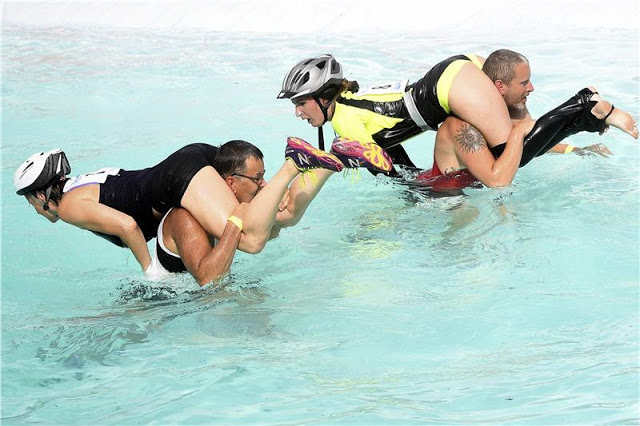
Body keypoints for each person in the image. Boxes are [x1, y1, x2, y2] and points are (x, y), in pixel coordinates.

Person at [14, 138, 344, 273]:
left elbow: (126, 226)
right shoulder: (84, 183)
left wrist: (150, 271)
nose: (35, 209)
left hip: (180, 176)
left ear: (41, 194)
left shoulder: (70, 204)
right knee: (277, 219)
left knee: (251, 240)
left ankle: (291, 164)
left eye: (31, 202)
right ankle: (329, 161)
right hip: (188, 164)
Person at [419, 49, 638, 189]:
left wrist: (577, 150)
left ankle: (585, 116)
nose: (531, 88)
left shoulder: (490, 119)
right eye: (524, 82)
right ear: (500, 87)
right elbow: (498, 181)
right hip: (439, 203)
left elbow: (526, 145)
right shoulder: (460, 128)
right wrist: (518, 131)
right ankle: (583, 104)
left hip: (463, 200)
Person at [277, 53, 526, 175]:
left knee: (512, 155)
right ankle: (567, 141)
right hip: (452, 76)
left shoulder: (344, 120)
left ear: (323, 96)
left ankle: (567, 117)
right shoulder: (350, 105)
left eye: (300, 102)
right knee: (524, 138)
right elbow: (395, 159)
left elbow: (386, 171)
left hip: (447, 88)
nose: (298, 112)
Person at [147, 140, 334, 286]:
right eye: (257, 179)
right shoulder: (184, 218)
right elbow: (208, 279)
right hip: (165, 304)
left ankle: (332, 161)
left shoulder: (229, 208)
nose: (263, 185)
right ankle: (290, 167)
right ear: (231, 183)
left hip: (206, 299)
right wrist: (236, 220)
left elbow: (280, 224)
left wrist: (279, 196)